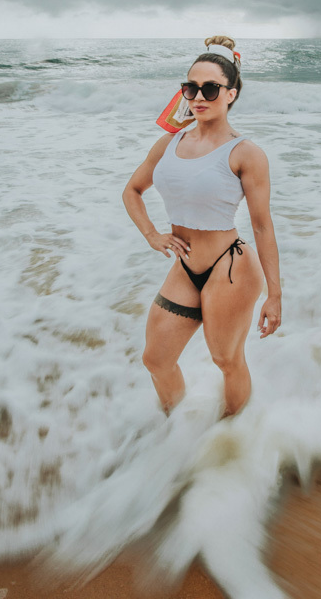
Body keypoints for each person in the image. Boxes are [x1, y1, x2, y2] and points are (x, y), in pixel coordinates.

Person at [122, 36, 282, 418]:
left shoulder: (245, 153)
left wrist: (274, 295)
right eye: (191, 87)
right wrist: (152, 234)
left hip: (231, 268)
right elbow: (132, 190)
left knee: (225, 359)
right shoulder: (168, 143)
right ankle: (176, 431)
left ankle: (230, 437)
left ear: (231, 93)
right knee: (156, 359)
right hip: (185, 266)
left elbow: (262, 226)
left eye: (211, 88)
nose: (199, 96)